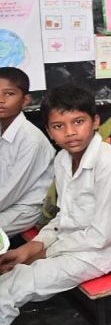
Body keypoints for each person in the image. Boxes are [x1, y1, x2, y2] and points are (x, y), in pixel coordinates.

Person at [0, 84, 111, 325]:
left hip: (101, 253)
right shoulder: (63, 160)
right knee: (6, 276)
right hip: (71, 243)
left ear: (95, 121)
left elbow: (103, 236)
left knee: (6, 291)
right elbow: (63, 216)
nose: (70, 132)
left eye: (78, 122)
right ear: (49, 131)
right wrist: (31, 248)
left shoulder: (110, 164)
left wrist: (46, 252)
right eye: (58, 126)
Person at [0, 67, 54, 235]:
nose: (1, 100)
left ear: (25, 100)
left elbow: (11, 190)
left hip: (24, 208)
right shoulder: (3, 129)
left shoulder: (30, 140)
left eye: (9, 94)